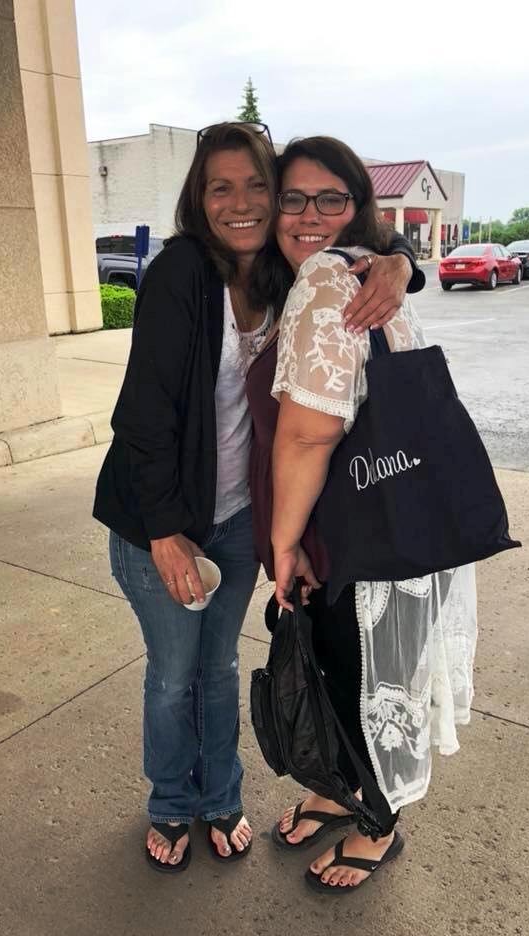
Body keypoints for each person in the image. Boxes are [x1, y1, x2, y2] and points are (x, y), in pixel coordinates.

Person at [93, 122, 425, 874]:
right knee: (172, 676)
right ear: (199, 197)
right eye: (221, 187)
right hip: (159, 523)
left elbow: (365, 245)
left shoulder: (284, 271)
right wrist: (166, 532)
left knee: (217, 671)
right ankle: (170, 802)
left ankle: (221, 797)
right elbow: (141, 417)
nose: (240, 203)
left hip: (237, 517)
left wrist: (401, 263)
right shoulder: (182, 272)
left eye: (256, 187)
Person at [246, 136, 477, 893]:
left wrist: (283, 545)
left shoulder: (327, 275)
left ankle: (378, 825)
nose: (309, 215)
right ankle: (337, 791)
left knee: (361, 678)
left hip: (355, 536)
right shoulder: (354, 272)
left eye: (330, 199)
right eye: (293, 198)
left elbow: (309, 433)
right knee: (341, 673)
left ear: (358, 208)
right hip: (376, 523)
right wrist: (400, 260)